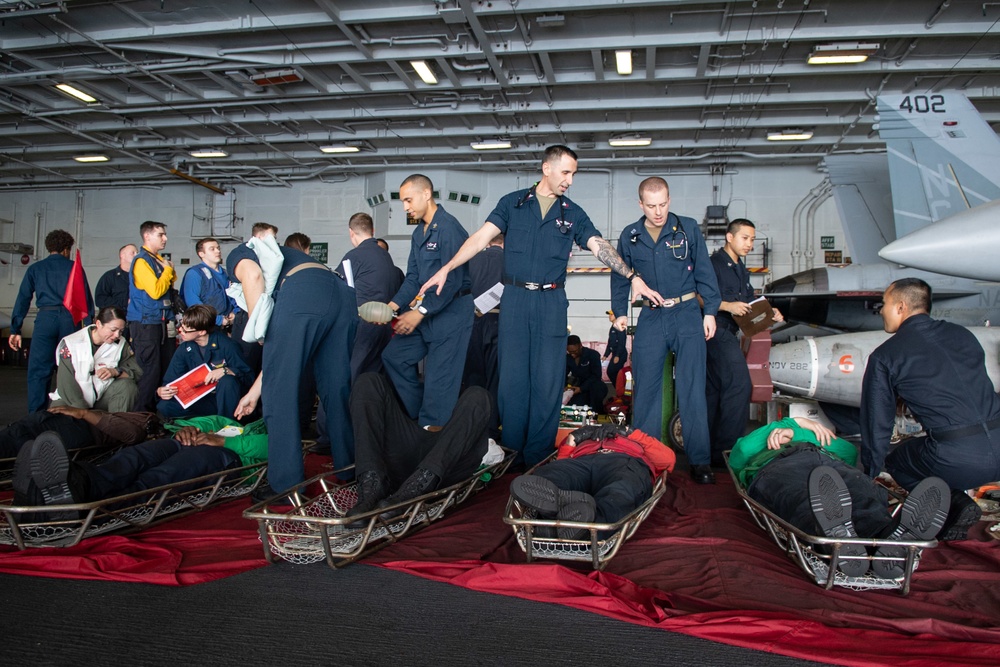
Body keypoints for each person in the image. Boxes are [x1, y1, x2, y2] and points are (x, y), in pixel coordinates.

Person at [420, 146, 664, 466]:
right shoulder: (512, 204)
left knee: (548, 382)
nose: (570, 180)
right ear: (546, 168)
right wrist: (446, 268)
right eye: (566, 172)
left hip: (551, 301)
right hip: (516, 299)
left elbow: (598, 244)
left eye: (574, 174)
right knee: (512, 381)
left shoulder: (572, 212)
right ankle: (513, 453)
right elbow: (480, 238)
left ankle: (537, 455)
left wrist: (631, 275)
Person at [861, 277, 997, 540]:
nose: (881, 310)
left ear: (900, 307)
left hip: (959, 460)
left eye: (884, 304)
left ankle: (954, 504)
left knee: (897, 461)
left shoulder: (886, 356)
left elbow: (876, 423)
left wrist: (869, 475)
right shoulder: (964, 334)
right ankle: (956, 498)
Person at [729, 417, 951, 577]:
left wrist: (799, 431)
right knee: (801, 497)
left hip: (828, 463)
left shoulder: (812, 439)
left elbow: (847, 452)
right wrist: (787, 424)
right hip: (778, 465)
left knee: (863, 490)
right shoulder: (761, 446)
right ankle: (834, 540)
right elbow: (740, 453)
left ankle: (888, 536)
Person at [229, 227, 358, 494]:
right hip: (341, 294)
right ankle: (350, 468)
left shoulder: (240, 252)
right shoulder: (289, 258)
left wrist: (259, 329)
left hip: (304, 293)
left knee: (280, 396)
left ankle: (285, 487)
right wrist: (254, 392)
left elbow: (252, 275)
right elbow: (279, 365)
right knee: (336, 388)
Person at [611, 177, 721, 484]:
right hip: (651, 317)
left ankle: (699, 461)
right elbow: (620, 275)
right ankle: (644, 458)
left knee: (692, 388)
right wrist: (619, 312)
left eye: (662, 204)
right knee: (645, 389)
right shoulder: (630, 236)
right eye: (651, 205)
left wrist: (710, 311)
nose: (658, 212)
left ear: (669, 200)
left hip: (687, 315)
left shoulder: (687, 229)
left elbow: (704, 272)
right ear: (640, 204)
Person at [11, 413, 266, 509]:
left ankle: (96, 507)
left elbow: (275, 448)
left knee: (161, 477)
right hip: (189, 441)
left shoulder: (278, 429)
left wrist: (224, 442)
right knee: (135, 456)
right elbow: (208, 422)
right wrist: (188, 430)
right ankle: (79, 483)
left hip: (229, 458)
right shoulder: (231, 421)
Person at [383, 174, 474, 429]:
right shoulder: (418, 233)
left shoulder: (449, 228)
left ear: (426, 194)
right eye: (402, 202)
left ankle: (431, 437)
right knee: (394, 356)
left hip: (451, 314)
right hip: (428, 312)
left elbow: (452, 280)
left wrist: (420, 311)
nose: (405, 207)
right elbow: (413, 278)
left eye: (408, 200)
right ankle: (417, 416)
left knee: (438, 382)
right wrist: (393, 306)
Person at [345, 372, 492, 523]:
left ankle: (417, 487)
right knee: (368, 380)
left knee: (479, 396)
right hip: (404, 452)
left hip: (444, 464)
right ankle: (371, 486)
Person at [508, 422, 675, 539]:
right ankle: (567, 514)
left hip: (624, 462)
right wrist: (574, 438)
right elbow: (562, 462)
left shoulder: (635, 442)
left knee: (621, 491)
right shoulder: (586, 441)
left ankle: (570, 524)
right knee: (549, 474)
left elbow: (668, 459)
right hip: (583, 461)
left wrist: (627, 432)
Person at [706, 218, 783, 466]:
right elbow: (697, 295)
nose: (750, 244)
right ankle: (728, 452)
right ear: (730, 237)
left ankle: (713, 455)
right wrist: (727, 305)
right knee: (740, 385)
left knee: (716, 392)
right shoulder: (713, 264)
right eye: (745, 238)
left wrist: (771, 314)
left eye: (752, 239)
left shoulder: (741, 268)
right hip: (714, 331)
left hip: (730, 332)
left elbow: (750, 303)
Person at [8, 229, 94, 413]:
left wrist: (15, 329)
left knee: (39, 370)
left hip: (45, 319)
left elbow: (23, 299)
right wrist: (89, 328)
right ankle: (71, 413)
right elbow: (85, 300)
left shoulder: (35, 269)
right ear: (66, 249)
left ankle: (36, 417)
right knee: (70, 370)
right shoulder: (74, 267)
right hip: (69, 321)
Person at [155, 305, 253, 420]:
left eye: (186, 329)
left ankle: (225, 424)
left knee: (228, 381)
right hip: (202, 399)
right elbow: (171, 380)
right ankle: (204, 422)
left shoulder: (227, 345)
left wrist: (227, 371)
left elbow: (249, 378)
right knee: (164, 406)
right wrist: (161, 391)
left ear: (201, 332)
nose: (180, 331)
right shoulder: (184, 349)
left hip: (227, 400)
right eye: (181, 325)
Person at [338, 212, 403, 379]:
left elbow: (338, 289)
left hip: (363, 326)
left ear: (351, 232)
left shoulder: (354, 256)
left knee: (348, 375)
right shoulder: (385, 255)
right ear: (372, 230)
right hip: (384, 327)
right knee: (373, 377)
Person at [48, 306, 142, 413]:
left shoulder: (121, 343)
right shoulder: (71, 343)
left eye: (121, 331)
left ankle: (115, 426)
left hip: (101, 396)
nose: (117, 335)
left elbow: (137, 371)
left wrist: (115, 371)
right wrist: (84, 412)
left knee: (128, 387)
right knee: (58, 421)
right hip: (70, 399)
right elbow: (66, 383)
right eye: (113, 330)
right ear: (98, 324)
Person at [128, 221, 177, 412]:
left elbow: (170, 283)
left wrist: (167, 270)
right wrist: (167, 270)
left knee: (163, 370)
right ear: (147, 236)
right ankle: (140, 416)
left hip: (161, 322)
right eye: (160, 235)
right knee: (149, 372)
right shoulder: (141, 261)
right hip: (146, 324)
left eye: (165, 235)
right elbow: (156, 291)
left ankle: (156, 414)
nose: (165, 238)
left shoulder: (157, 260)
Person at [0, 405, 155, 459]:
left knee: (14, 440)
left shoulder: (141, 426)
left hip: (78, 430)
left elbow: (133, 434)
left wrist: (83, 413)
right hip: (55, 424)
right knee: (14, 435)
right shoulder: (139, 419)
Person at [463, 232, 504, 439]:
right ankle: (490, 429)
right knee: (494, 379)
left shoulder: (471, 258)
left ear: (488, 242)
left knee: (473, 378)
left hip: (472, 322)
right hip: (499, 322)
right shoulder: (511, 261)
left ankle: (469, 426)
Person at [229, 223, 279, 377]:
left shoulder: (265, 257)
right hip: (250, 320)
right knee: (246, 370)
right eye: (273, 238)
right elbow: (253, 275)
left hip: (265, 319)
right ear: (259, 237)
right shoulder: (244, 253)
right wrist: (256, 324)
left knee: (263, 369)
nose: (275, 243)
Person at [180, 238, 237, 329]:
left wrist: (235, 312)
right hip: (206, 325)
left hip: (228, 325)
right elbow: (194, 303)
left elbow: (235, 296)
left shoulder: (226, 274)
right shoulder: (195, 273)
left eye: (218, 248)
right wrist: (217, 319)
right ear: (201, 254)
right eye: (212, 249)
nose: (217, 251)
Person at [94, 244, 138, 341]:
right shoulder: (109, 277)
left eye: (137, 253)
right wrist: (124, 302)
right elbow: (100, 300)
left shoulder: (140, 278)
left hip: (137, 324)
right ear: (122, 255)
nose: (136, 255)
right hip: (116, 326)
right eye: (133, 253)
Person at [565, 335, 607, 411]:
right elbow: (563, 374)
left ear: (580, 345)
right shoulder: (568, 358)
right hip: (578, 386)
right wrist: (565, 387)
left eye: (574, 351)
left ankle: (597, 413)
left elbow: (596, 375)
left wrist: (582, 388)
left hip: (594, 384)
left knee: (596, 392)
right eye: (570, 352)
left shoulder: (593, 355)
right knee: (576, 405)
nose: (572, 355)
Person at [603, 310, 628, 386]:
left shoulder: (620, 327)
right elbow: (610, 343)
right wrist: (606, 355)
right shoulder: (613, 327)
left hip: (620, 354)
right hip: (615, 354)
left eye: (611, 315)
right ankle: (619, 389)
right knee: (613, 372)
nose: (609, 316)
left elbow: (622, 342)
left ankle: (620, 389)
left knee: (612, 371)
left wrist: (617, 355)